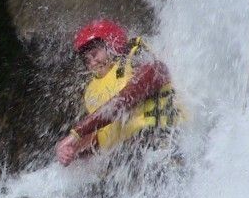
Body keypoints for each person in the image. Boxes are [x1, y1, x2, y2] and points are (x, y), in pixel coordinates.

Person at [55, 19, 181, 167]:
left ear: (112, 45)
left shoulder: (138, 60)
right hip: (128, 156)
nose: (92, 63)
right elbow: (99, 136)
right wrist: (72, 149)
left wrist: (77, 132)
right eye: (86, 60)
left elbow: (126, 98)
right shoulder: (92, 92)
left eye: (95, 54)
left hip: (162, 139)